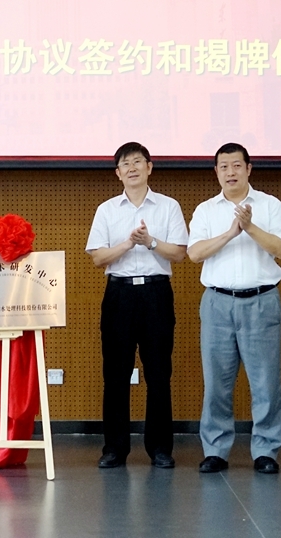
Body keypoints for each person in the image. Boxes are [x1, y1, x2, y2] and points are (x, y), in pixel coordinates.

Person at [187, 143, 281, 474]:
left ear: (248, 169)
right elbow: (195, 253)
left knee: (266, 383)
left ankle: (266, 450)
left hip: (261, 301)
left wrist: (251, 227)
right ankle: (215, 450)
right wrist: (232, 233)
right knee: (216, 383)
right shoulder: (206, 210)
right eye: (224, 166)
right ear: (216, 172)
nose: (230, 172)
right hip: (217, 303)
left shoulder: (270, 205)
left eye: (236, 165)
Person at [86, 142, 188, 469]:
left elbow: (179, 253)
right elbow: (98, 257)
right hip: (120, 294)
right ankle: (114, 449)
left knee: (159, 373)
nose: (132, 168)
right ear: (118, 173)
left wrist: (151, 242)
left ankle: (160, 449)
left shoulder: (168, 206)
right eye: (125, 164)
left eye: (137, 162)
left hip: (156, 294)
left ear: (149, 167)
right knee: (115, 374)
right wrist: (129, 244)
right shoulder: (107, 210)